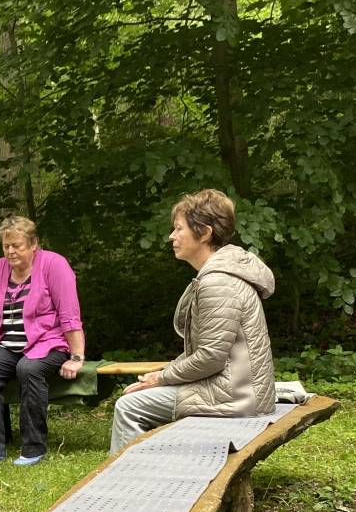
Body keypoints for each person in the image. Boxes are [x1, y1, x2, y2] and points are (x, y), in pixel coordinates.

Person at [111, 189, 275, 454]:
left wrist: (161, 378)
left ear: (205, 233)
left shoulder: (218, 282)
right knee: (138, 395)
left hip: (236, 397)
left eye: (179, 229)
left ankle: (134, 482)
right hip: (237, 389)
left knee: (129, 405)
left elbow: (211, 357)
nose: (172, 236)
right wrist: (164, 373)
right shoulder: (223, 272)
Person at [0, 215, 85, 467]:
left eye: (16, 245)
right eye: (6, 246)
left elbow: (69, 315)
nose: (10, 251)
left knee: (28, 368)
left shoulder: (54, 264)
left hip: (48, 343)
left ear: (33, 244)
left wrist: (76, 356)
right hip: (8, 344)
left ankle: (33, 447)